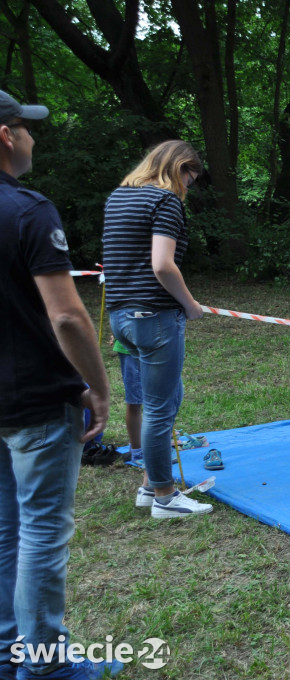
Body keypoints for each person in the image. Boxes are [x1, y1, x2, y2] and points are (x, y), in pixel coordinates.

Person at [0, 91, 122, 679]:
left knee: (5, 533)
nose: (33, 139)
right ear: (5, 136)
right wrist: (96, 386)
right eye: (27, 129)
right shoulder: (27, 210)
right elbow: (69, 316)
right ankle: (45, 665)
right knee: (41, 532)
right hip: (35, 404)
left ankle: (9, 654)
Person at [102, 140, 211, 519]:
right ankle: (165, 496)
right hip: (155, 316)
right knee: (160, 408)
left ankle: (150, 485)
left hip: (122, 315)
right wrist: (189, 304)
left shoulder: (118, 197)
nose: (188, 187)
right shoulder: (166, 202)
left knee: (167, 396)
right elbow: (162, 265)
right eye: (189, 179)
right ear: (179, 168)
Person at [112, 339, 143, 465]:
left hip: (155, 346)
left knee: (159, 401)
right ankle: (137, 452)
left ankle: (158, 444)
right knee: (134, 401)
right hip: (131, 348)